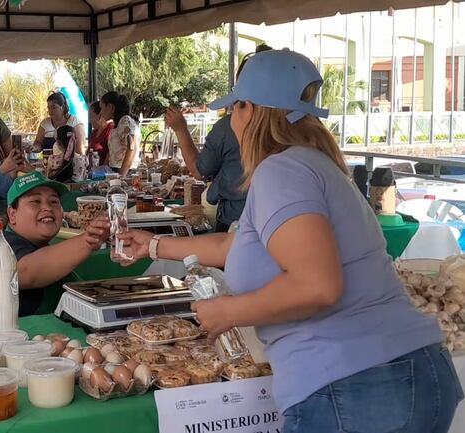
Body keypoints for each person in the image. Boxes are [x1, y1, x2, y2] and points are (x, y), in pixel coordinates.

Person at [118, 49, 462, 433]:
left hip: (356, 385)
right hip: (402, 373)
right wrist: (152, 246)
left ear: (247, 109)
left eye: (233, 108)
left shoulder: (281, 172)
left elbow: (317, 286)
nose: (231, 118)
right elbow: (238, 247)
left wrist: (227, 312)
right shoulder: (308, 164)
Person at [0, 171, 110, 321]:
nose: (47, 207)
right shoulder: (3, 247)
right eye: (35, 201)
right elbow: (25, 272)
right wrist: (89, 240)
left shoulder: (36, 244)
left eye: (54, 202)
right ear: (12, 215)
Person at [165, 44, 272, 232]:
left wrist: (181, 129)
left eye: (239, 103)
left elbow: (199, 171)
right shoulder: (305, 138)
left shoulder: (226, 128)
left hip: (236, 222)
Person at [100, 91, 140, 176]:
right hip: (116, 170)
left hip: (125, 171)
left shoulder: (125, 121)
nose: (101, 112)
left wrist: (122, 174)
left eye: (102, 108)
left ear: (111, 107)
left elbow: (132, 147)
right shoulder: (118, 124)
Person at [88, 101, 112, 165]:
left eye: (91, 116)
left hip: (105, 172)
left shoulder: (110, 129)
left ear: (100, 115)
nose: (90, 120)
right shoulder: (94, 132)